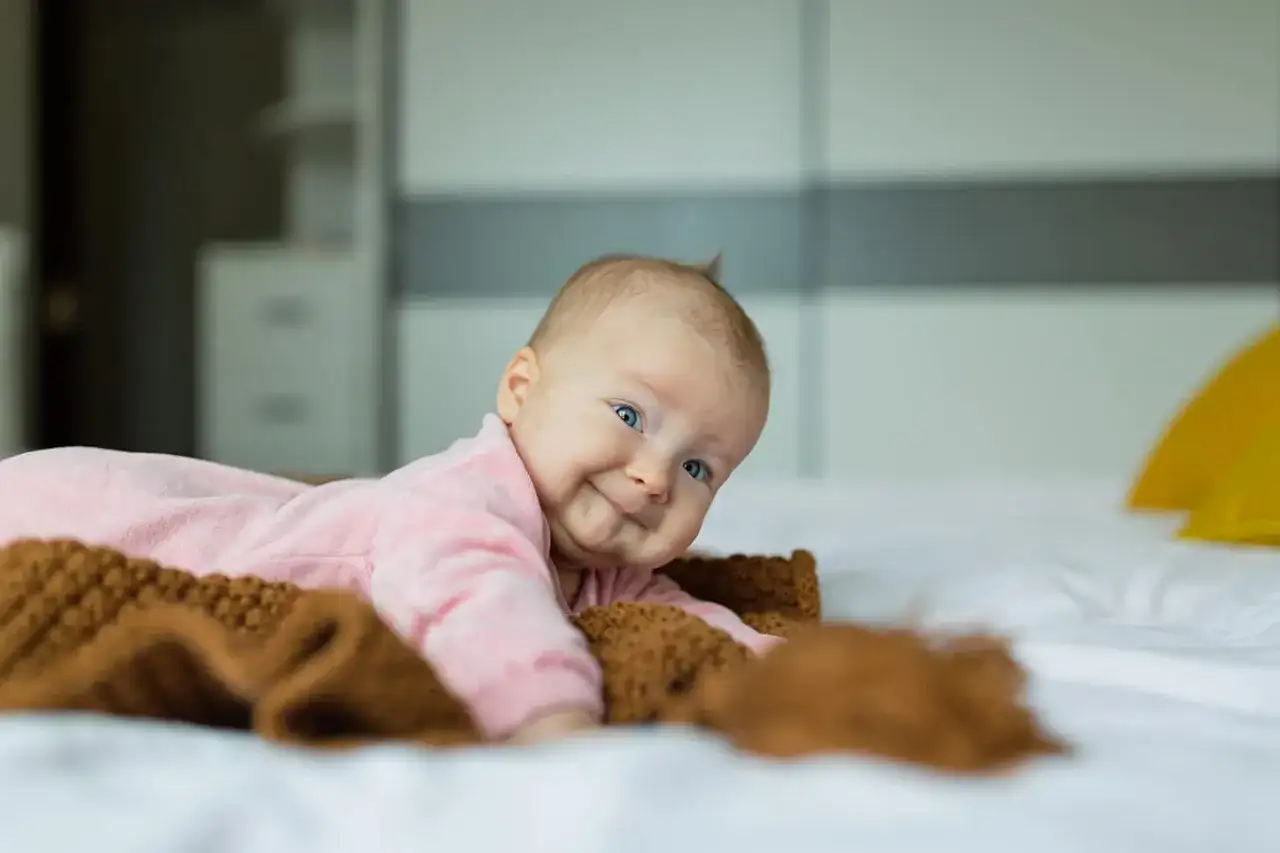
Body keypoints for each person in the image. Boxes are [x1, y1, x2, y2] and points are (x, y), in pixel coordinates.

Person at [0, 252, 780, 744]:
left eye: (699, 468)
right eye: (630, 415)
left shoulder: (605, 569)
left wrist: (797, 672)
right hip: (81, 514)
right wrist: (550, 716)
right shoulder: (467, 499)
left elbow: (694, 624)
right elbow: (482, 604)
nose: (654, 475)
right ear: (520, 389)